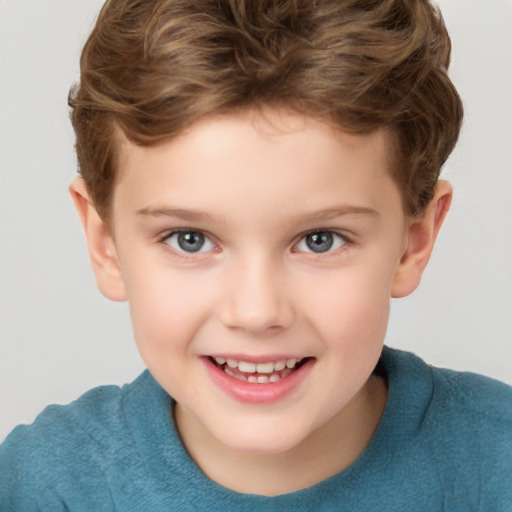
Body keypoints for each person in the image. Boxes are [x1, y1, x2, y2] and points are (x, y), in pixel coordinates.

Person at [1, 0, 511, 510]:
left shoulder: (496, 465)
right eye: (190, 239)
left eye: (320, 240)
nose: (256, 311)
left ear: (413, 242)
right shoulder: (42, 487)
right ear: (104, 243)